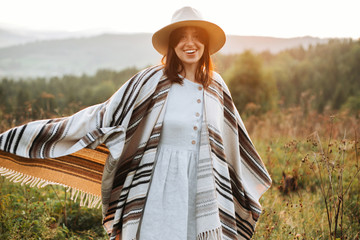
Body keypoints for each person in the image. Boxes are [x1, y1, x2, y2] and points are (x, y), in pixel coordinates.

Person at [0, 6, 271, 240]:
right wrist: (26, 135)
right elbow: (100, 117)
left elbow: (235, 143)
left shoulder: (217, 87)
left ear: (206, 44)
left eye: (197, 37)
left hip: (202, 189)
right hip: (156, 185)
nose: (190, 44)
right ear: (172, 45)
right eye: (182, 38)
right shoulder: (150, 82)